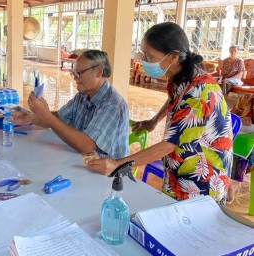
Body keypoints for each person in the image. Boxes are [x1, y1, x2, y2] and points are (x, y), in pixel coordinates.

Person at [88, 23, 233, 205]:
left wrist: (118, 164)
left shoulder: (200, 90)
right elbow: (176, 100)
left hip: (201, 182)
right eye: (143, 54)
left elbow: (169, 145)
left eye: (149, 56)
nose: (144, 59)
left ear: (173, 57)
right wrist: (154, 121)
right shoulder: (179, 77)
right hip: (179, 171)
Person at [13, 50, 129, 160]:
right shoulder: (83, 96)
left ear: (98, 72)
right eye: (74, 73)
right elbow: (60, 117)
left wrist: (47, 116)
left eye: (79, 73)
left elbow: (87, 146)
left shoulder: (112, 104)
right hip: (81, 162)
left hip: (109, 175)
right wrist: (32, 118)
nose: (74, 77)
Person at [228, 93, 254, 203]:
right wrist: (241, 119)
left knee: (242, 151)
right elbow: (231, 116)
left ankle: (231, 186)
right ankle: (225, 182)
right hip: (242, 135)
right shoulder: (247, 98)